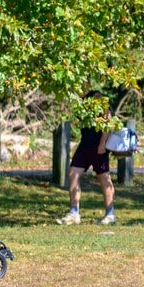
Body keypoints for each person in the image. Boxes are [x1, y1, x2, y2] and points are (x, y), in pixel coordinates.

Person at [56, 91, 116, 225]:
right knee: (73, 174)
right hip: (85, 145)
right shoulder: (81, 103)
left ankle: (110, 214)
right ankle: (74, 212)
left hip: (98, 147)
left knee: (103, 178)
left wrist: (102, 143)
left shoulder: (100, 101)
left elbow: (108, 123)